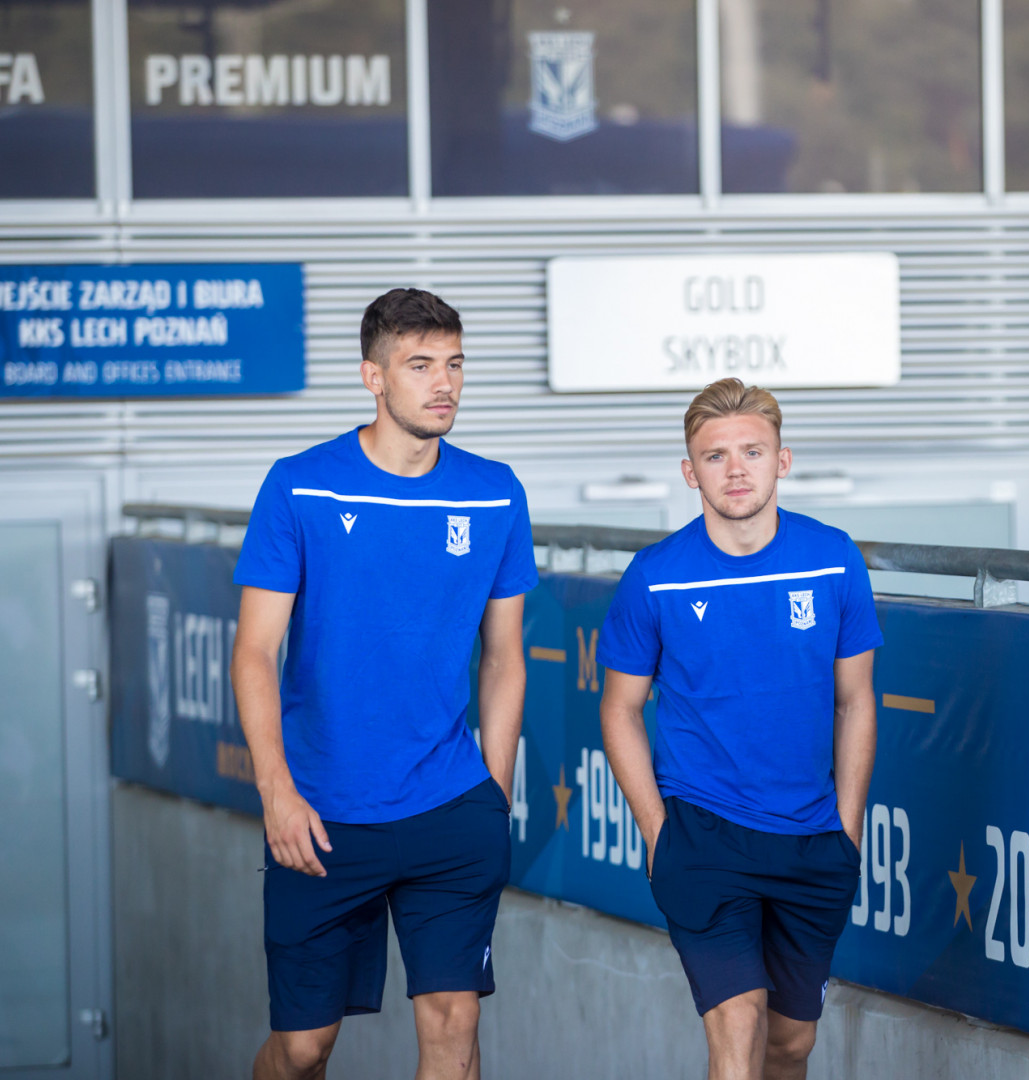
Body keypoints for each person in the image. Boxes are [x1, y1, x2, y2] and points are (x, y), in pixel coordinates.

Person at [230, 288, 536, 1080]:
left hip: (451, 804)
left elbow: (505, 656)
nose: (445, 384)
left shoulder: (496, 491)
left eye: (455, 365)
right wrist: (276, 791)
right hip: (321, 815)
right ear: (373, 376)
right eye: (421, 365)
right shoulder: (301, 485)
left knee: (454, 1027)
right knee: (303, 1050)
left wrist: (494, 792)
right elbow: (255, 652)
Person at [598, 377, 882, 1080]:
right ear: (690, 471)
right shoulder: (655, 576)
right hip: (702, 834)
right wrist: (658, 833)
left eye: (752, 452)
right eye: (715, 456)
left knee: (790, 1045)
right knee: (738, 1023)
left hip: (812, 838)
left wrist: (847, 830)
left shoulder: (834, 557)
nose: (736, 470)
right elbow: (619, 709)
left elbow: (855, 701)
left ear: (781, 461)